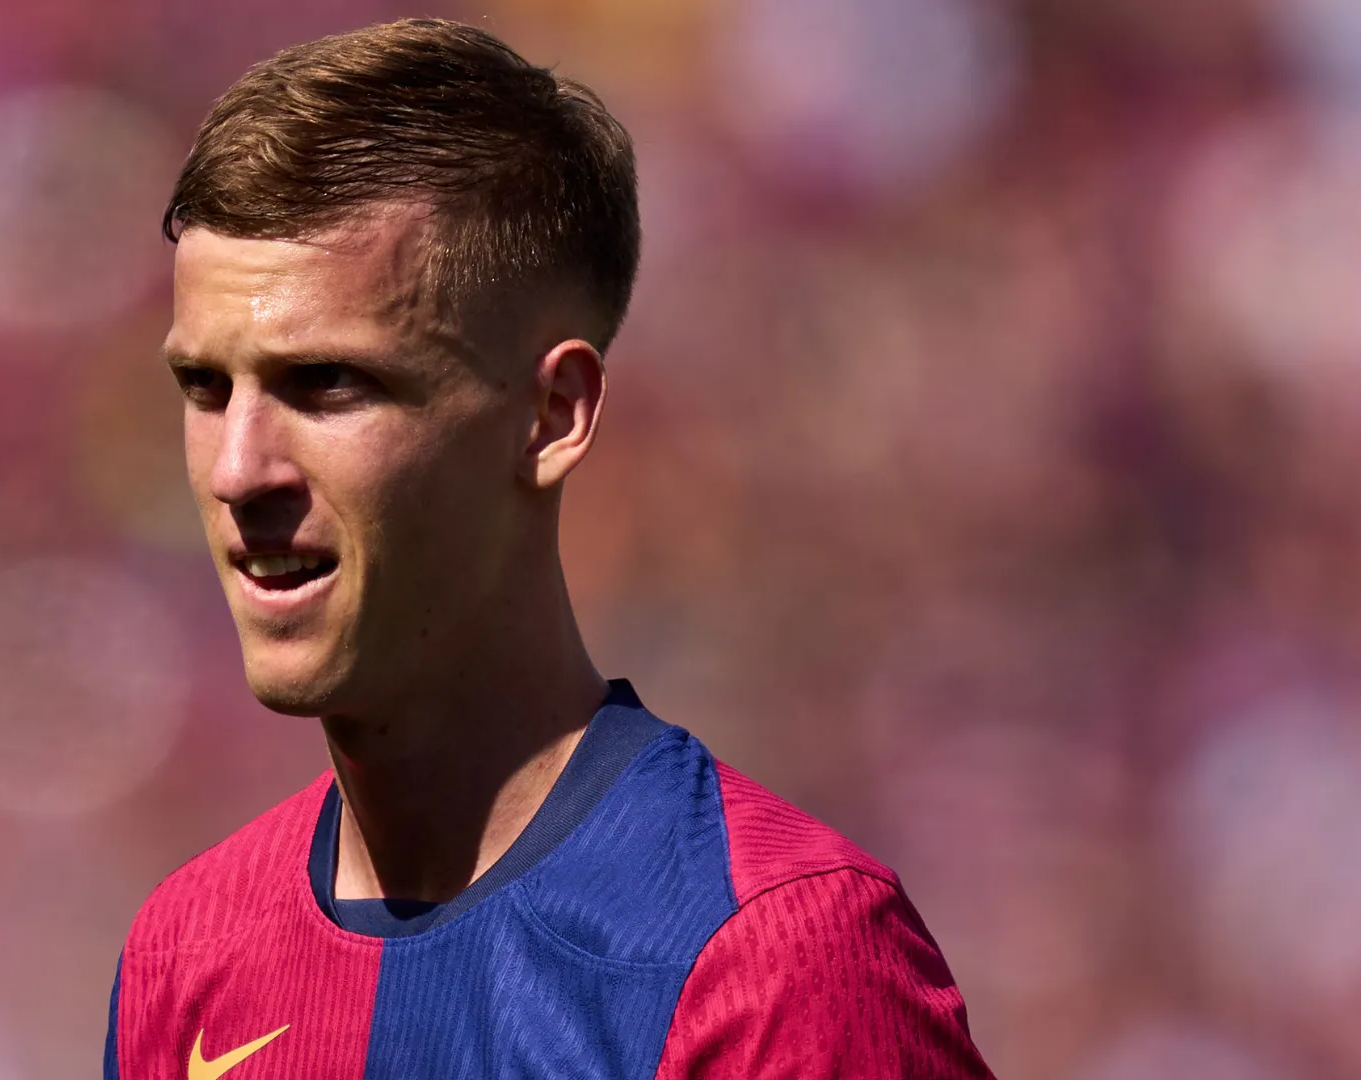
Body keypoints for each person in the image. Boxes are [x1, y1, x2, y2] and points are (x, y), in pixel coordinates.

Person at [106, 18, 992, 1079]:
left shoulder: (775, 956)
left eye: (327, 384)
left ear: (552, 414)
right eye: (204, 386)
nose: (238, 470)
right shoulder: (188, 949)